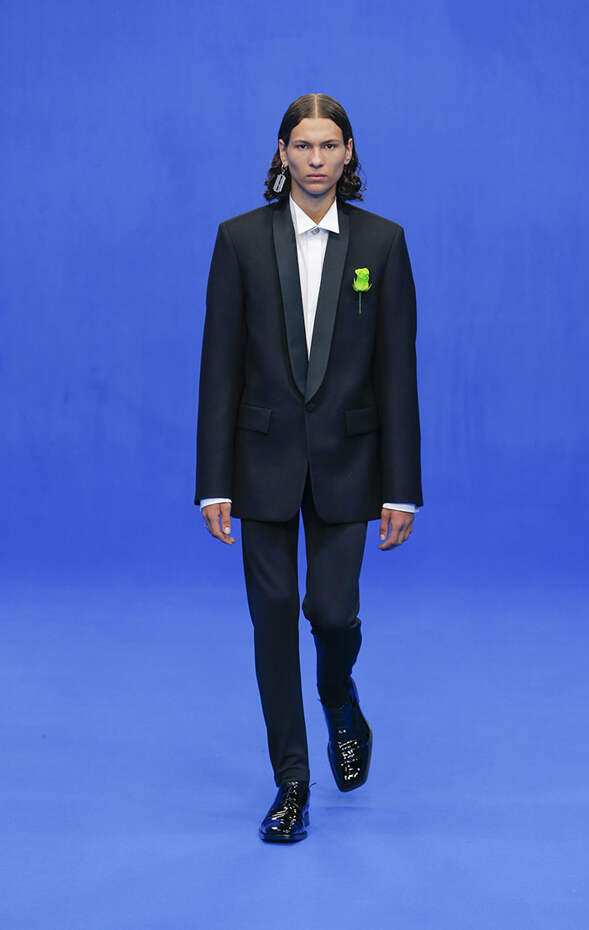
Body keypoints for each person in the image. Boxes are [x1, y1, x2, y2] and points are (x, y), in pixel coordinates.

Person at [194, 93, 423, 843]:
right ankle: (292, 782)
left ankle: (338, 695)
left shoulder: (383, 243)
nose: (316, 159)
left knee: (329, 611)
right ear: (282, 153)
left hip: (350, 464)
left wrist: (402, 491)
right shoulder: (238, 239)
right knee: (271, 621)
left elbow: (397, 374)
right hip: (258, 462)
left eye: (329, 145)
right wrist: (213, 481)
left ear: (348, 152)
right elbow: (219, 367)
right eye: (302, 145)